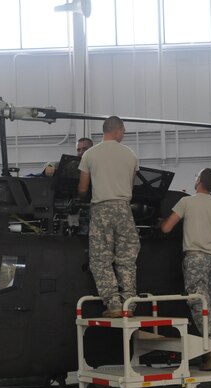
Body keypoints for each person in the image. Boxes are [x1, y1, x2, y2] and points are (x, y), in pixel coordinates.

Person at [160, 168, 211, 370]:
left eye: (196, 176)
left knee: (199, 305)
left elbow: (166, 228)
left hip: (195, 258)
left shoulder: (187, 202)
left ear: (198, 182)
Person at [78, 116, 140, 318]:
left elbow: (83, 188)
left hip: (102, 209)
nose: (124, 134)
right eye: (123, 131)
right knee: (127, 258)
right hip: (124, 209)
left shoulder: (89, 154)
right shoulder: (130, 155)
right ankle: (129, 304)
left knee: (100, 259)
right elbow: (130, 185)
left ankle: (113, 304)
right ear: (117, 130)